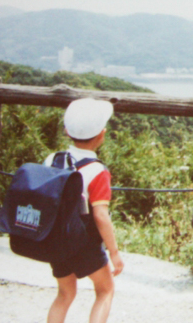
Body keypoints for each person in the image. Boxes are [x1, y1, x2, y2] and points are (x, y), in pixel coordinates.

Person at [45, 98, 124, 323]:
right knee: (105, 290)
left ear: (67, 132)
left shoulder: (52, 159)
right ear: (102, 135)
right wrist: (114, 251)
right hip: (84, 243)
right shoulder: (97, 171)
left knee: (64, 293)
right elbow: (100, 215)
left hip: (56, 239)